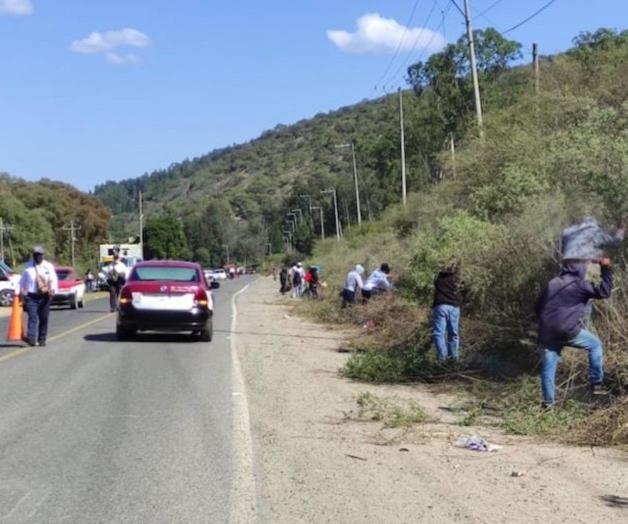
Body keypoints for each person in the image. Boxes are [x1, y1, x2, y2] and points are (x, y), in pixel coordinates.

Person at [536, 258, 612, 408]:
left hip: (546, 332)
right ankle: (597, 384)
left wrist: (546, 323)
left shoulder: (553, 283)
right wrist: (606, 269)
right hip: (567, 330)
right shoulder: (579, 285)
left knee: (548, 366)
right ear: (579, 269)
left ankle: (548, 405)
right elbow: (604, 291)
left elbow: (537, 306)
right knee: (595, 345)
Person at [19, 246, 59, 347]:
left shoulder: (48, 266)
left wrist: (53, 289)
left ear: (43, 256)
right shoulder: (28, 267)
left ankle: (42, 339)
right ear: (33, 256)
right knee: (32, 317)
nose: (38, 257)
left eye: (40, 255)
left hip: (45, 297)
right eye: (36, 255)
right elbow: (22, 282)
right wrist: (21, 293)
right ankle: (31, 339)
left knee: (43, 318)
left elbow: (53, 279)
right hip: (31, 297)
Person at [432, 263, 463, 362]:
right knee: (453, 334)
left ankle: (442, 359)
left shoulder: (438, 278)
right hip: (454, 307)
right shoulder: (457, 279)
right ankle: (454, 359)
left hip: (441, 306)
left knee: (439, 333)